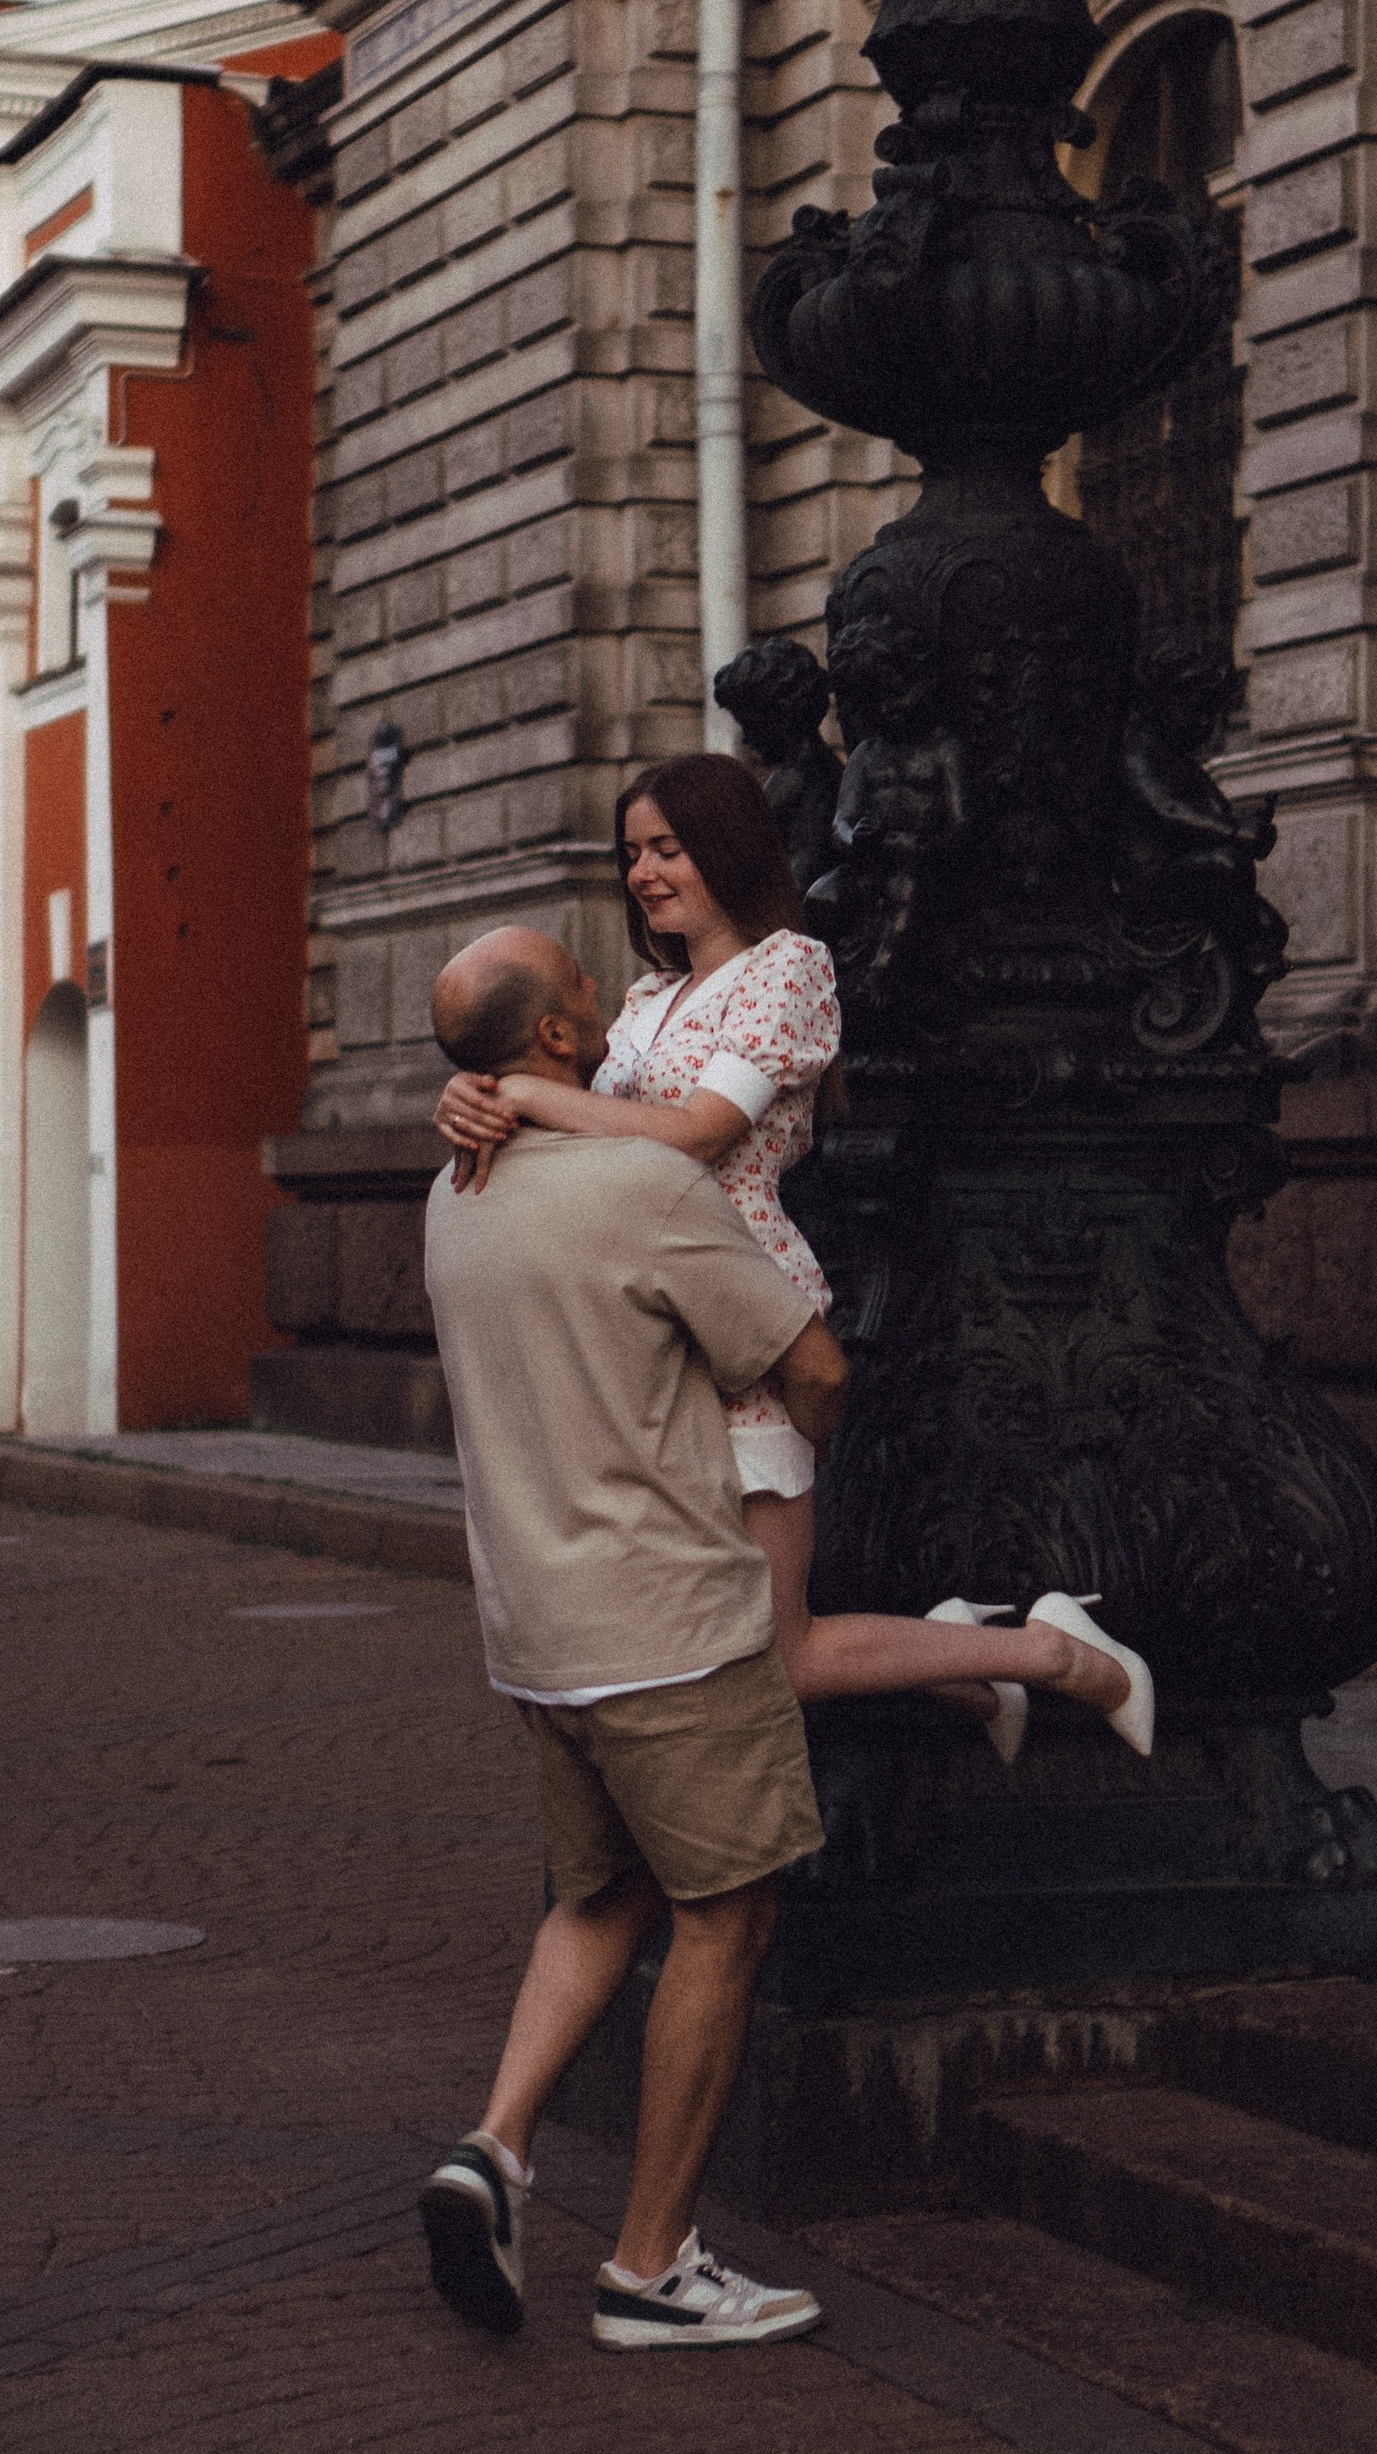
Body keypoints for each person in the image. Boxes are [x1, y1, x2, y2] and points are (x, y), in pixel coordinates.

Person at [434, 755, 1150, 1768]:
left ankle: (1056, 1654)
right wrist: (473, 1093)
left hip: (745, 1314)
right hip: (651, 1330)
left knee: (780, 1652)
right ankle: (971, 1668)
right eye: (631, 852)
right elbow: (563, 1108)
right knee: (728, 1638)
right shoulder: (644, 1000)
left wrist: (529, 1096)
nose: (642, 873)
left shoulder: (787, 970)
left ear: (725, 849)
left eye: (667, 848)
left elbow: (697, 1132)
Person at [417, 922, 848, 2353]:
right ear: (554, 1036)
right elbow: (810, 1362)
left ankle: (493, 2149)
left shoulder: (452, 1195)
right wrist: (801, 1451)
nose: (605, 993)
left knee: (600, 1897)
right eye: (582, 985)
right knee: (726, 1915)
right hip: (673, 1625)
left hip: (536, 1630)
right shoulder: (646, 1187)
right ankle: (651, 2268)